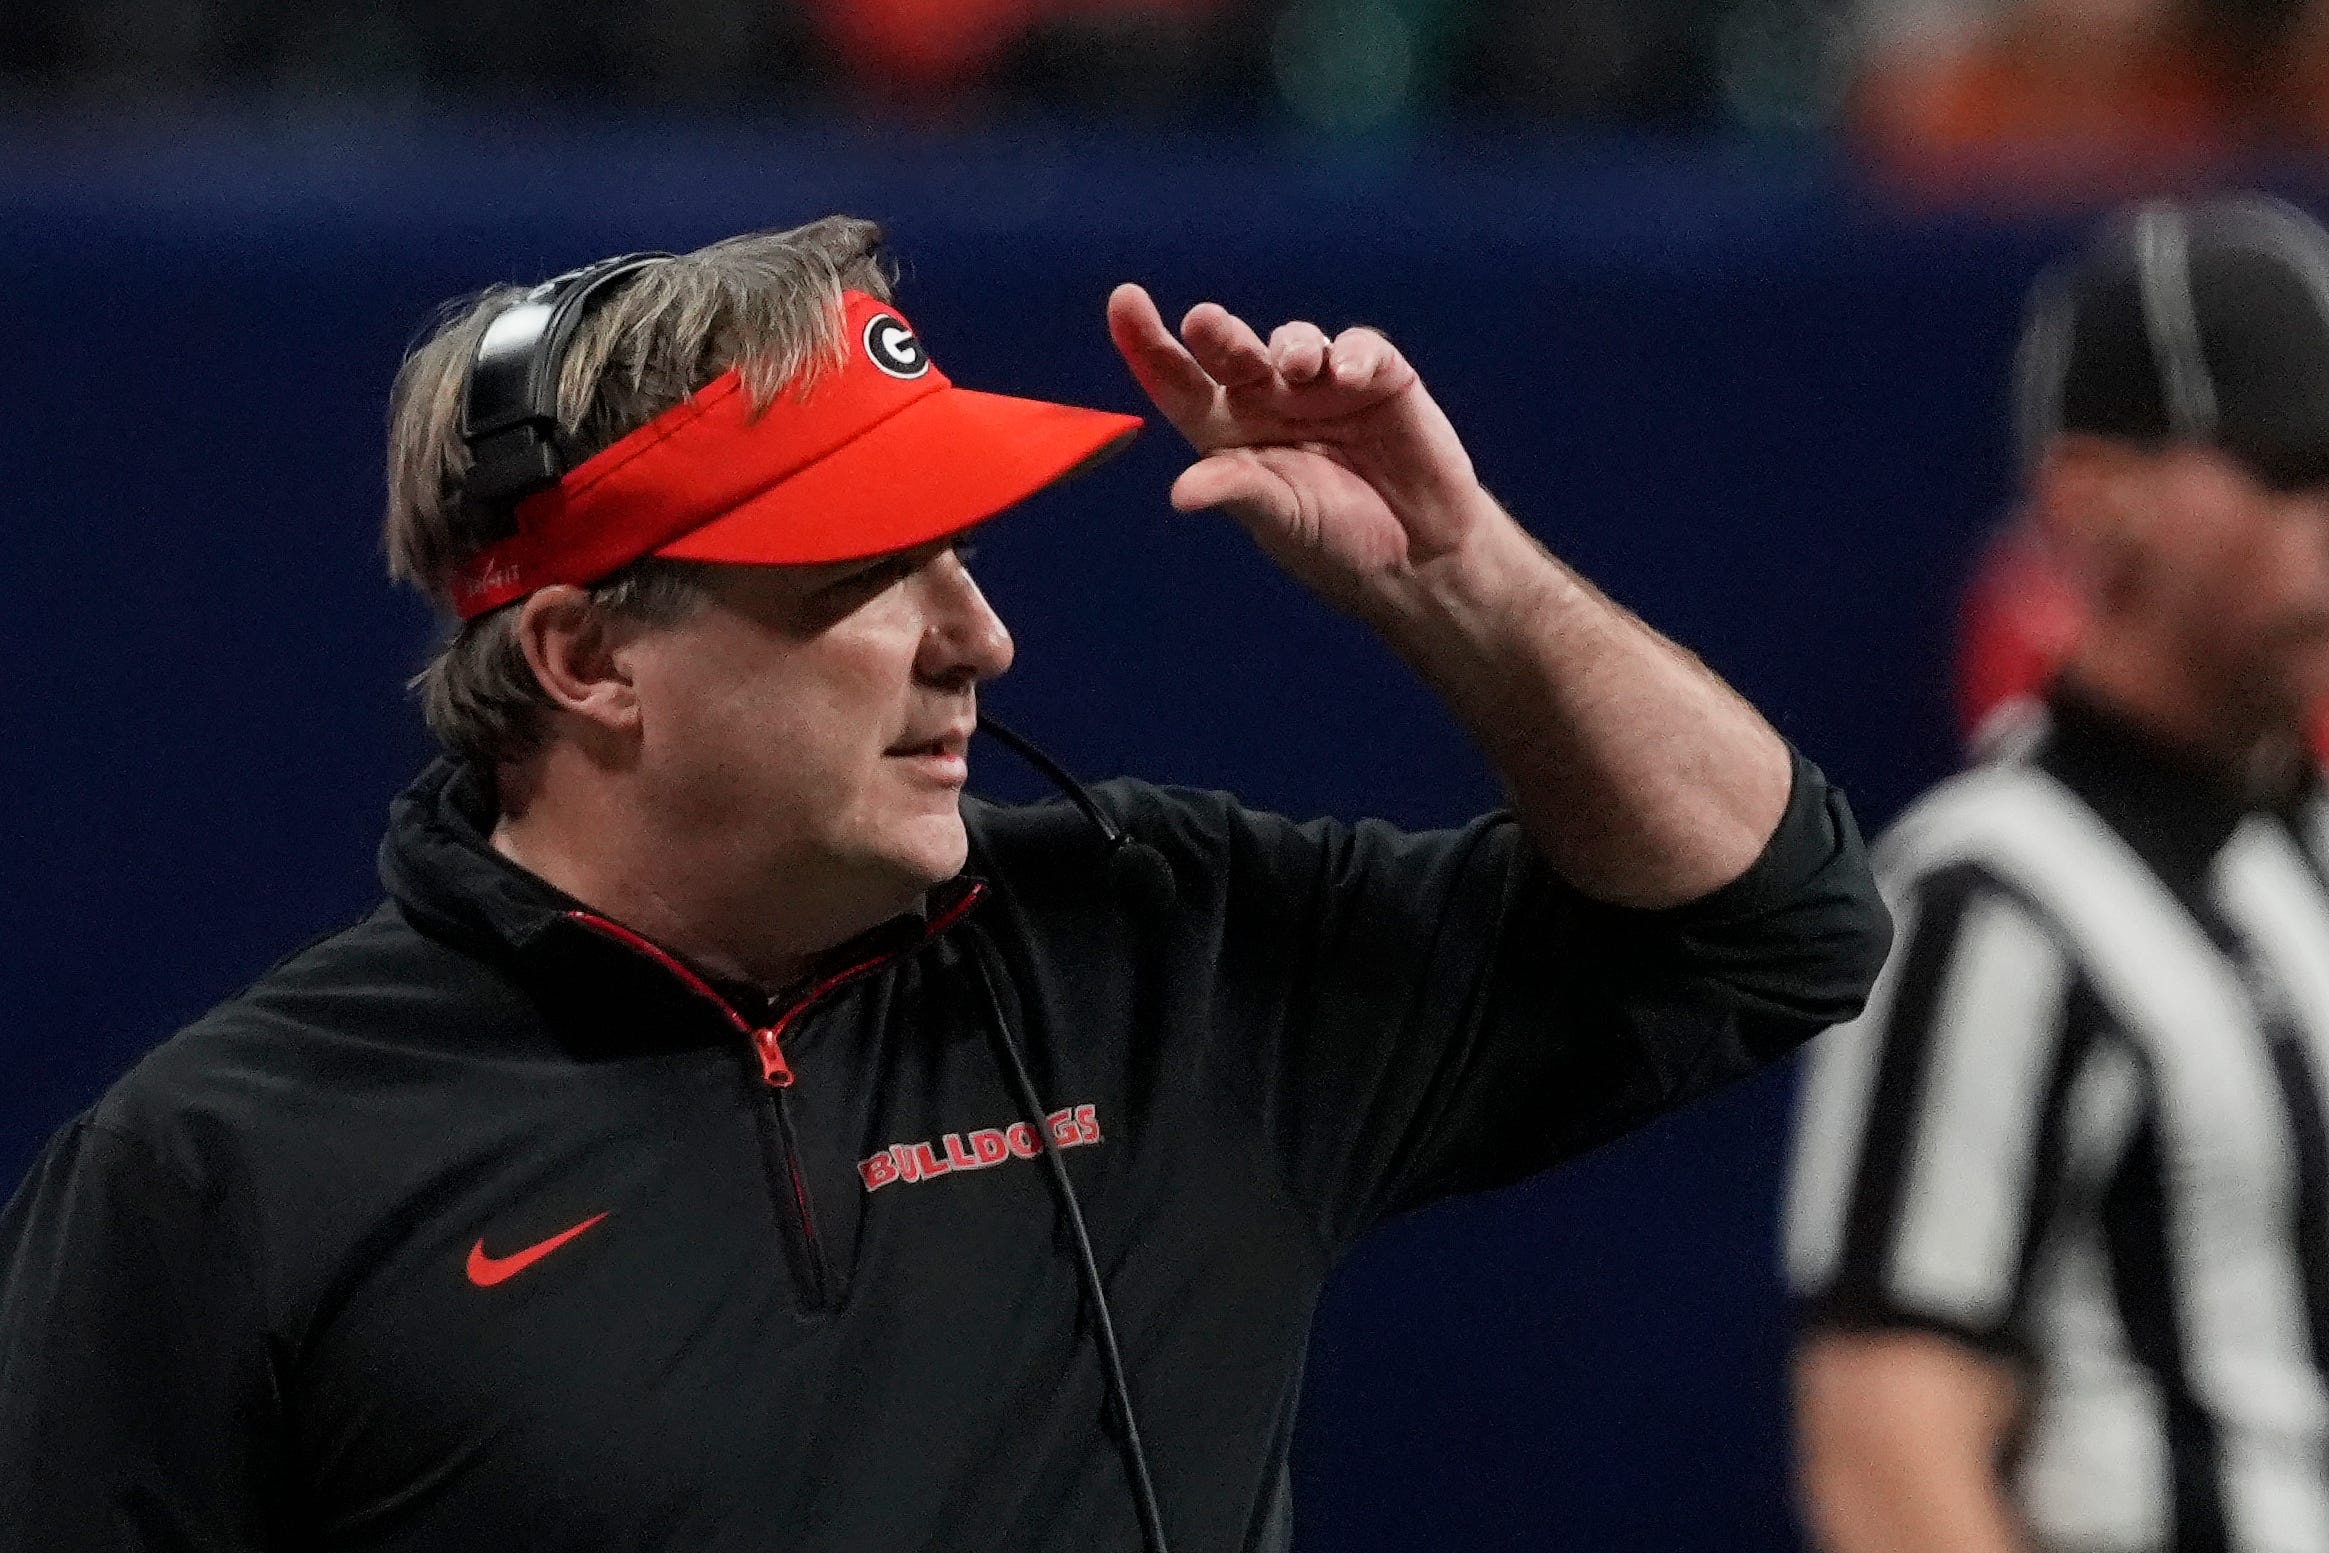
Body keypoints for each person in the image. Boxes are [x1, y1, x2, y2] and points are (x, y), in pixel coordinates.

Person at [0, 215, 1887, 1553]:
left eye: (963, 553)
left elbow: (1770, 921)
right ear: (586, 657)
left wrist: (1459, 580)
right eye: (869, 572)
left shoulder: (1164, 950)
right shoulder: (226, 1170)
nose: (976, 638)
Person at [1787, 194, 2329, 1553]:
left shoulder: (2303, 861)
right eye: (2288, 472)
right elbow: (1887, 1447)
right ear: (2095, 495)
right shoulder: (1987, 901)